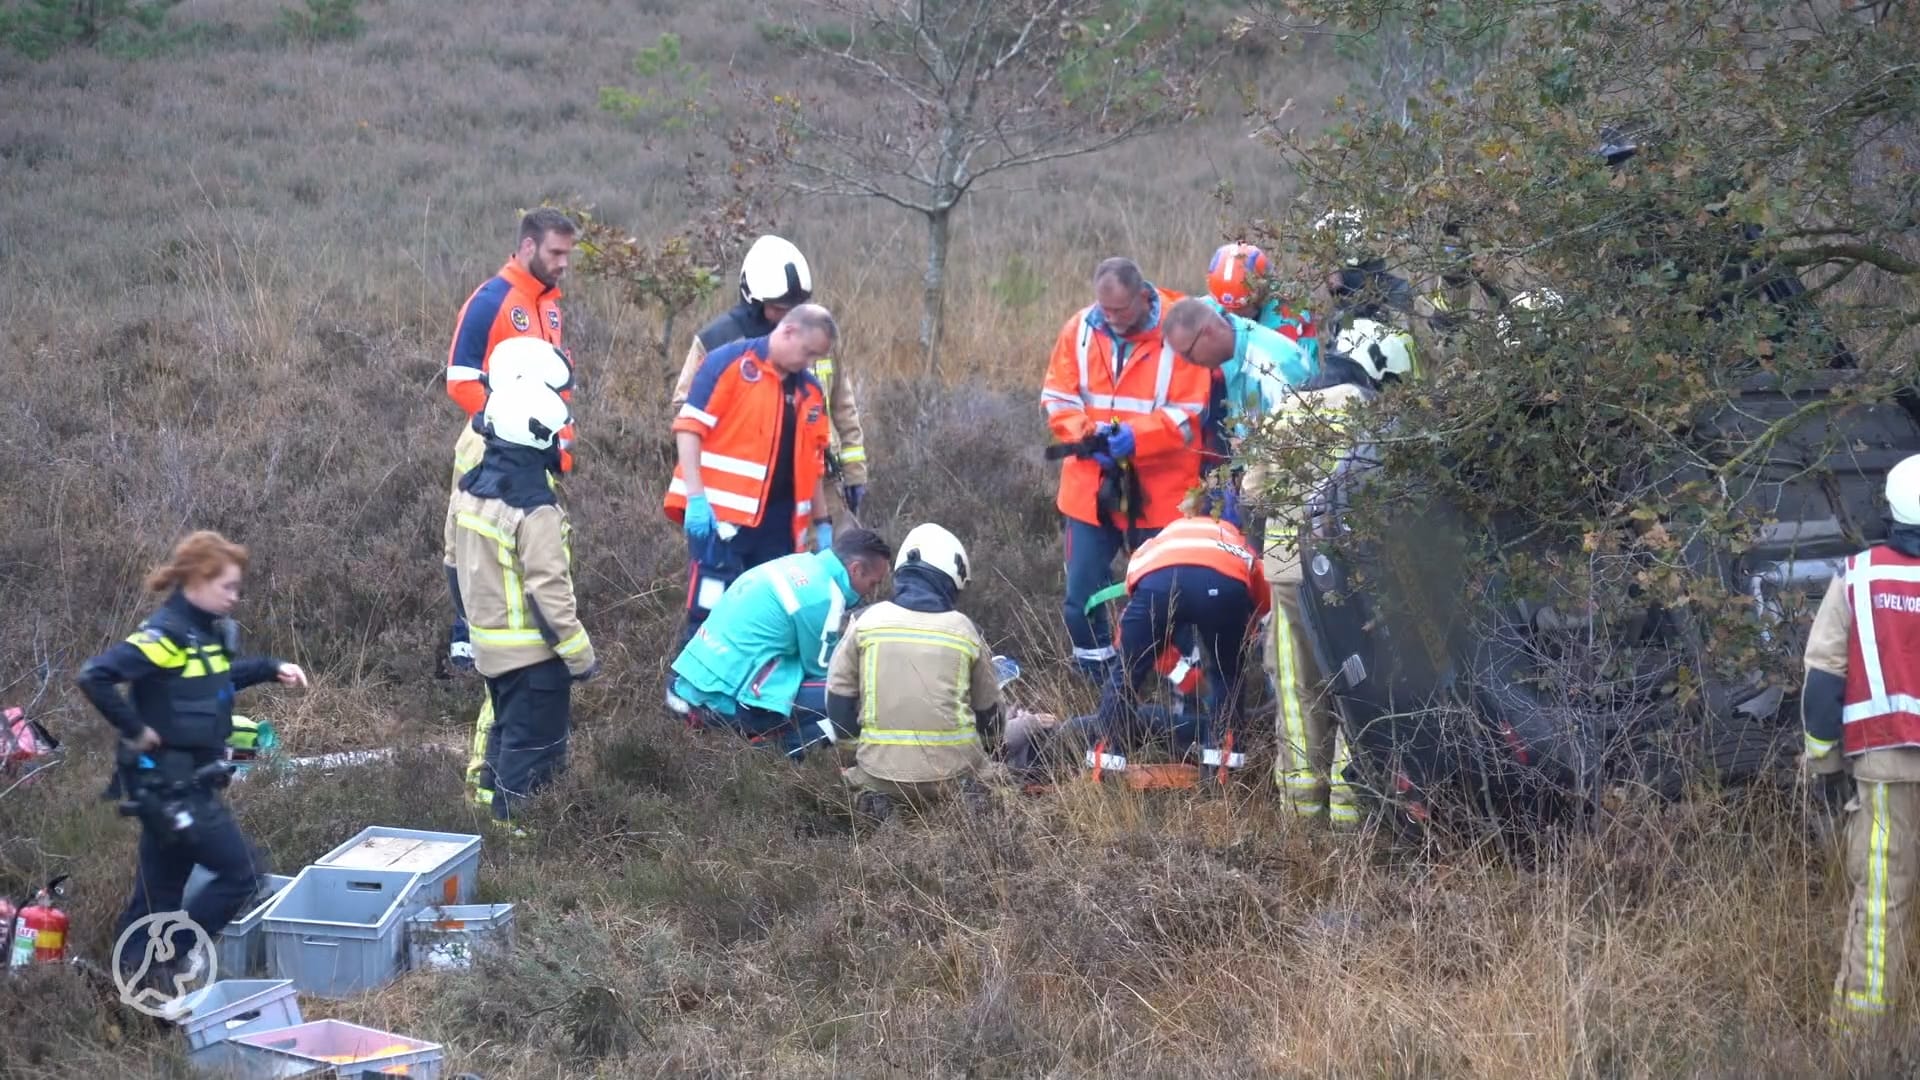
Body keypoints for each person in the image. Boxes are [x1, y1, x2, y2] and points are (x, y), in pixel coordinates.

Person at [76, 531, 310, 982]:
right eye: (227, 586)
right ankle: (165, 959)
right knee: (243, 873)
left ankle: (125, 990)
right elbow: (95, 676)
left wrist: (269, 669)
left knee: (155, 900)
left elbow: (211, 682)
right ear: (197, 582)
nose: (234, 597)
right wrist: (136, 729)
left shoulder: (203, 636)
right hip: (171, 790)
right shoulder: (164, 634)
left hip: (186, 786)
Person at [1259, 321, 1409, 827]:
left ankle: (1301, 813)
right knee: (1359, 678)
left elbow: (1255, 494)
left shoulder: (1289, 408)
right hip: (1351, 567)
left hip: (1284, 563)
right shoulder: (1375, 417)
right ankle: (1352, 808)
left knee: (1296, 685)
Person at [663, 303, 842, 712]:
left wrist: (823, 523)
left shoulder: (809, 391)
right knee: (708, 609)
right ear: (789, 331)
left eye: (817, 357)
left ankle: (741, 702)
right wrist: (695, 497)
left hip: (780, 530)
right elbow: (689, 429)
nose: (810, 362)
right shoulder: (729, 364)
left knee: (767, 620)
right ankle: (684, 694)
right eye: (809, 352)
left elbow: (814, 463)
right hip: (721, 521)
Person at [1041, 257, 1210, 679]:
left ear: (1142, 295)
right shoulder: (1079, 330)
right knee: (1080, 605)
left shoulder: (1181, 327)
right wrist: (1085, 439)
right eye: (1104, 309)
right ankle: (1104, 691)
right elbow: (1058, 398)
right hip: (1091, 493)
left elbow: (1191, 412)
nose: (1110, 318)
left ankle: (1186, 706)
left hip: (1162, 497)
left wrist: (1139, 437)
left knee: (1172, 609)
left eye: (1119, 310)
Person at [1803, 453, 1920, 1027]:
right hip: (1885, 767)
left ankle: (1864, 1041)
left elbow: (1822, 684)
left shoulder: (1859, 577)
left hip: (1883, 770)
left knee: (1881, 905)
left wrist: (1822, 763)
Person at [449, 378, 598, 826]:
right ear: (538, 440)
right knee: (534, 755)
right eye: (556, 435)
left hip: (491, 650)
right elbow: (549, 594)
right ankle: (518, 842)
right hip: (535, 656)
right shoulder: (537, 511)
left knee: (505, 736)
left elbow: (451, 566)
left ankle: (488, 821)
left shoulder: (469, 489)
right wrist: (580, 657)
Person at [442, 208, 580, 672]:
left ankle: (528, 639)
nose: (564, 262)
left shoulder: (550, 306)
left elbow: (556, 384)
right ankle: (467, 642)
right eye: (556, 252)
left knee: (530, 549)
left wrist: (560, 439)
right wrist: (503, 424)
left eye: (568, 253)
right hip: (488, 447)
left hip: (535, 451)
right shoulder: (490, 300)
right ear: (527, 247)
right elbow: (460, 379)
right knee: (475, 543)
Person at [671, 235, 873, 528]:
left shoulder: (819, 336)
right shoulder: (717, 343)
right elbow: (684, 411)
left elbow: (843, 406)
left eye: (797, 306)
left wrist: (855, 472)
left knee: (828, 569)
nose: (789, 317)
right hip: (744, 497)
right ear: (753, 300)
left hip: (816, 487)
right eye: (779, 308)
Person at [821, 524, 1003, 819]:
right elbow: (990, 713)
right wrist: (990, 752)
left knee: (861, 782)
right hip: (956, 775)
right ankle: (970, 801)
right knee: (997, 779)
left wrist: (860, 749)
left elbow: (838, 700)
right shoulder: (965, 631)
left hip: (878, 773)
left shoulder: (864, 622)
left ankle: (875, 798)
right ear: (952, 578)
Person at [670, 528, 894, 756]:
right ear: (855, 569)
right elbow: (828, 672)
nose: (871, 592)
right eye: (873, 584)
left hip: (692, 684)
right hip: (728, 702)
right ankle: (779, 753)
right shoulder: (824, 596)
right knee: (852, 696)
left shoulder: (798, 564)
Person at [1081, 512, 1271, 781]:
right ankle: (1221, 771)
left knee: (1125, 673)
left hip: (1156, 586)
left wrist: (1169, 666)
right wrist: (1249, 636)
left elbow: (1132, 614)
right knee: (1227, 676)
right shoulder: (1237, 542)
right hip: (1221, 585)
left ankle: (1103, 766)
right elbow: (1265, 601)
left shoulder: (1154, 545)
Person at [1162, 296, 1318, 497]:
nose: (1190, 363)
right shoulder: (1229, 346)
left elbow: (1304, 450)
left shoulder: (1273, 368)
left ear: (1208, 333)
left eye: (1189, 354)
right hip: (1262, 483)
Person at [1204, 242, 1318, 365]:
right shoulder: (1206, 309)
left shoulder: (1288, 322)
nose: (1232, 315)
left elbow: (1297, 375)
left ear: (1261, 296)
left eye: (1240, 309)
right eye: (1226, 308)